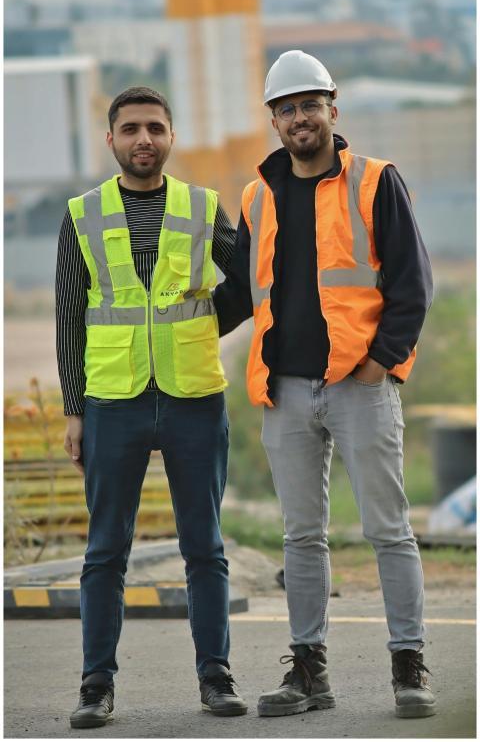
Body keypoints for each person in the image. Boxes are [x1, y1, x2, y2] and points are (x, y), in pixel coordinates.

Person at [213, 50, 435, 719]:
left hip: (360, 385)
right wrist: (175, 320)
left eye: (311, 104)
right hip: (284, 388)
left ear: (332, 110)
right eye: (288, 108)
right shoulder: (257, 195)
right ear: (274, 120)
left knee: (388, 528)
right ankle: (308, 672)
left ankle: (409, 665)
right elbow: (246, 297)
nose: (301, 117)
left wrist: (381, 363)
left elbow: (411, 284)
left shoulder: (374, 181)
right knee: (301, 536)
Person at [56, 86, 248, 728]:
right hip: (114, 399)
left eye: (156, 128)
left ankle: (215, 678)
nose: (144, 139)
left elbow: (244, 281)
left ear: (172, 137)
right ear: (110, 139)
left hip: (193, 394)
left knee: (205, 546)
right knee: (105, 550)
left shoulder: (202, 208)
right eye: (132, 128)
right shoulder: (82, 215)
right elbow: (69, 315)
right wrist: (74, 408)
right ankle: (95, 685)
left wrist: (196, 330)